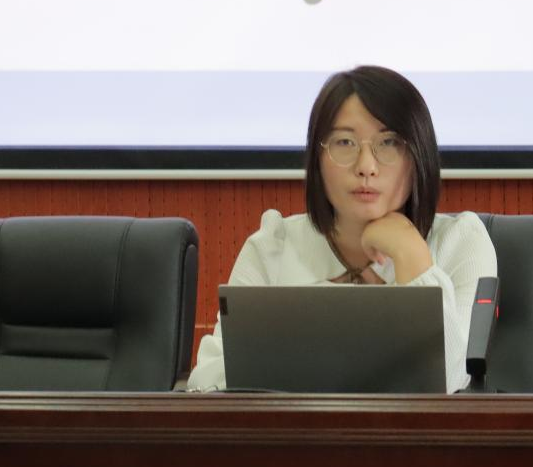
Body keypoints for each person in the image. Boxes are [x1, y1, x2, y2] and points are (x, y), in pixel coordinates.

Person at [187, 65, 497, 393]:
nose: (366, 166)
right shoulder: (272, 248)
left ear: (419, 155)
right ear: (317, 159)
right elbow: (207, 383)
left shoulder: (460, 242)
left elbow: (451, 382)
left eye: (389, 142)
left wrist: (410, 255)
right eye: (345, 142)